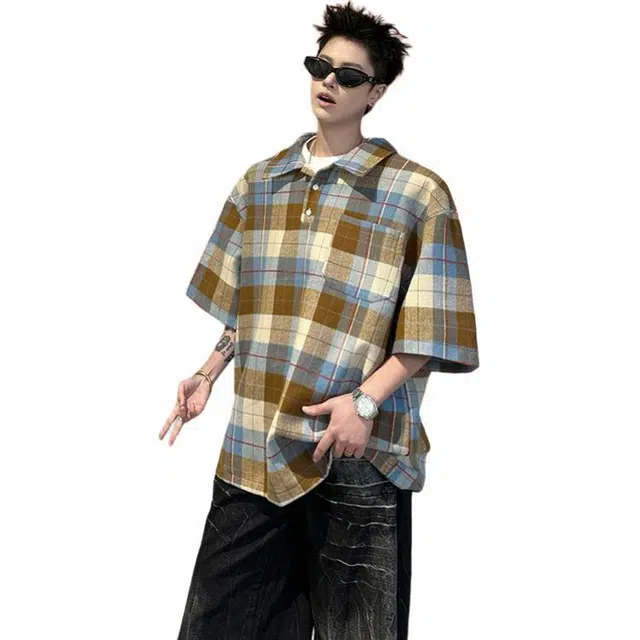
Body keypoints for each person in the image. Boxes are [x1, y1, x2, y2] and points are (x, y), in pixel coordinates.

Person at [159, 2, 480, 638]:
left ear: (375, 93)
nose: (328, 82)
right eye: (319, 67)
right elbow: (252, 307)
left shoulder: (416, 193)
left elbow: (432, 323)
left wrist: (363, 403)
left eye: (349, 75)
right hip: (255, 445)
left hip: (356, 451)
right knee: (217, 626)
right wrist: (208, 372)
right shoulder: (261, 183)